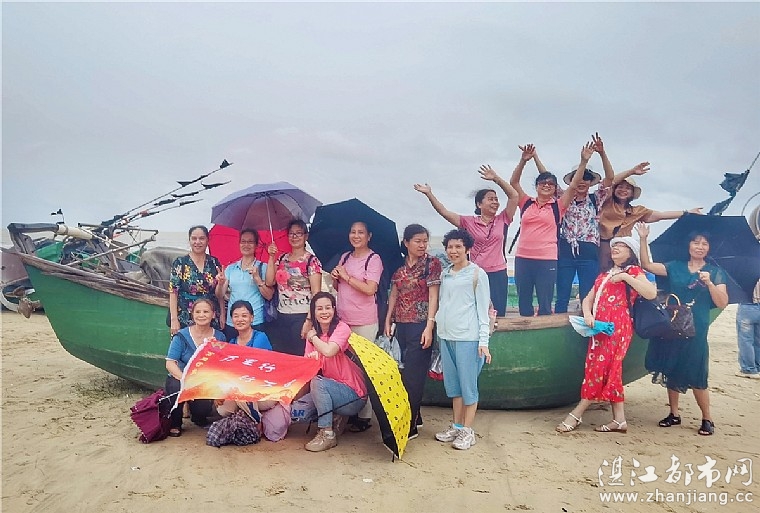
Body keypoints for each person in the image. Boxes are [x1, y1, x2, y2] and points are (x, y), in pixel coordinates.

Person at [555, 236, 656, 434]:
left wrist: (626, 278)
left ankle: (576, 414)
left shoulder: (633, 271)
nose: (616, 248)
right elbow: (588, 299)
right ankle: (619, 419)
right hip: (599, 328)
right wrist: (587, 314)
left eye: (622, 246)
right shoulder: (605, 274)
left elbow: (650, 293)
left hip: (618, 327)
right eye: (614, 245)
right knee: (609, 369)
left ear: (631, 253)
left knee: (600, 368)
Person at [637, 223, 729, 436]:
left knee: (697, 371)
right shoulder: (675, 266)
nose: (700, 246)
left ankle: (707, 418)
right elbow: (647, 265)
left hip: (697, 327)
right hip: (673, 324)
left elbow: (722, 302)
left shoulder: (716, 272)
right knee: (672, 366)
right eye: (696, 242)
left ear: (709, 248)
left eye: (704, 243)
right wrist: (643, 238)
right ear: (688, 246)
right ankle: (674, 413)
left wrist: (710, 284)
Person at [413, 164, 519, 316]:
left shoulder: (503, 219)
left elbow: (514, 196)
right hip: (474, 273)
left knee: (497, 313)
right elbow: (444, 212)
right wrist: (429, 194)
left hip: (498, 273)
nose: (495, 202)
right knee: (474, 312)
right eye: (490, 199)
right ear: (479, 204)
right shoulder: (468, 222)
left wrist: (496, 178)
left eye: (496, 199)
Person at [509, 143, 593, 316]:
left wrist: (583, 161)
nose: (546, 185)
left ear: (555, 189)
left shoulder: (558, 206)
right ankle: (525, 329)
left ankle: (544, 329)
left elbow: (573, 185)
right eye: (543, 183)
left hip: (546, 259)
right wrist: (523, 161)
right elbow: (514, 182)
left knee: (545, 303)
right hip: (523, 258)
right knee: (524, 302)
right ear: (537, 186)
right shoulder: (526, 202)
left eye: (551, 184)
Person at [434, 229, 492, 450]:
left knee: (469, 387)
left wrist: (483, 343)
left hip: (468, 338)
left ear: (467, 249)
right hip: (446, 336)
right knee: (454, 387)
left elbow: (483, 311)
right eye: (450, 247)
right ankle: (457, 426)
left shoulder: (477, 274)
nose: (453, 251)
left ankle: (468, 431)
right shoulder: (445, 274)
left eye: (458, 246)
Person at [384, 224, 442, 439]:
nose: (422, 245)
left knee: (414, 377)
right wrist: (388, 320)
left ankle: (409, 425)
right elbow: (394, 294)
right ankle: (415, 417)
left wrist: (429, 326)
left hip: (421, 325)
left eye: (425, 241)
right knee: (402, 373)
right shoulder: (399, 268)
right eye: (418, 241)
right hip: (401, 326)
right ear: (406, 242)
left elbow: (434, 296)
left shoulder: (431, 264)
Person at [598, 155, 702, 271]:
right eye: (620, 187)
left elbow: (661, 215)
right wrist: (631, 172)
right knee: (602, 274)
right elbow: (609, 183)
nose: (623, 190)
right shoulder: (606, 202)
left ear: (632, 193)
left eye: (627, 188)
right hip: (602, 246)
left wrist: (687, 212)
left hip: (623, 249)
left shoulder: (637, 211)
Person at [329, 220, 383, 431]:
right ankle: (349, 408)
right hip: (343, 320)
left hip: (365, 321)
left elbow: (370, 289)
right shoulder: (345, 257)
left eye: (361, 232)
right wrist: (336, 278)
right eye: (353, 232)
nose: (356, 236)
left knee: (364, 366)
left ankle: (364, 415)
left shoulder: (373, 259)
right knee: (346, 366)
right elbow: (339, 287)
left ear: (369, 236)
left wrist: (347, 277)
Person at [303, 292, 368, 452]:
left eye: (328, 308)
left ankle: (327, 433)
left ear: (334, 309)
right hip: (333, 388)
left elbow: (329, 351)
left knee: (318, 383)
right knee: (302, 406)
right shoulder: (314, 334)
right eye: (319, 309)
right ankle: (337, 418)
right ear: (313, 312)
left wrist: (313, 338)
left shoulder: (341, 328)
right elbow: (307, 368)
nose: (324, 312)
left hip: (354, 395)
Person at [164, 298, 227, 437]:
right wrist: (185, 380)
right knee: (175, 386)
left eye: (206, 312)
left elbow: (222, 365)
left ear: (213, 314)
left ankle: (197, 416)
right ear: (192, 315)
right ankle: (175, 422)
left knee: (201, 411)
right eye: (198, 312)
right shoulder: (181, 336)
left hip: (204, 380)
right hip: (182, 377)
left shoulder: (219, 337)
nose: (201, 315)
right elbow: (170, 363)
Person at [264, 219, 322, 356]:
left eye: (298, 233)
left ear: (306, 236)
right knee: (283, 356)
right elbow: (269, 282)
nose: (294, 237)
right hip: (282, 314)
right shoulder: (282, 258)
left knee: (299, 355)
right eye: (291, 233)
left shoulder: (311, 261)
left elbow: (316, 294)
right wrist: (271, 257)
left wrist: (309, 320)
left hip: (302, 315)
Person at [218, 229, 274, 341]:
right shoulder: (231, 268)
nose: (246, 245)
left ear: (256, 245)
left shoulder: (263, 267)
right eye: (243, 241)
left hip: (255, 320)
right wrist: (220, 284)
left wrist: (257, 279)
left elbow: (269, 295)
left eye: (250, 242)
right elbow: (220, 295)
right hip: (233, 321)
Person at [168, 225, 225, 336]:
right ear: (189, 240)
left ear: (207, 240)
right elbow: (173, 292)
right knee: (185, 344)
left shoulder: (214, 262)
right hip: (186, 314)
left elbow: (219, 295)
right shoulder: (180, 262)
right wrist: (174, 319)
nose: (197, 242)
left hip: (209, 314)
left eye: (201, 238)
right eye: (194, 238)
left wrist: (222, 313)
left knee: (209, 345)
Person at [736, 279, 760, 379]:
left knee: (746, 340)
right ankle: (757, 366)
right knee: (758, 340)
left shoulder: (747, 273)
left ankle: (749, 368)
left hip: (747, 305)